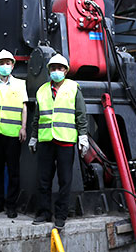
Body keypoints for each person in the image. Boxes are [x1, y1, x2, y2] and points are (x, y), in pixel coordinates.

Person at [29, 54, 89, 229]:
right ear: (49, 70)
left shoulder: (73, 88)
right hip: (46, 140)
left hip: (65, 141)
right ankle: (44, 213)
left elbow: (80, 114)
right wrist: (34, 137)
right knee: (43, 179)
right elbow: (37, 117)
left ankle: (61, 215)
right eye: (53, 68)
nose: (56, 71)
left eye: (60, 68)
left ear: (66, 70)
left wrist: (83, 136)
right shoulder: (42, 91)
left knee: (65, 180)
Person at [0, 49, 28, 218]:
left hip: (13, 134)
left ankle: (11, 205)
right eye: (1, 63)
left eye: (8, 63)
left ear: (13, 65)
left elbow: (24, 107)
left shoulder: (20, 84)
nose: (5, 66)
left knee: (13, 171)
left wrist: (23, 127)